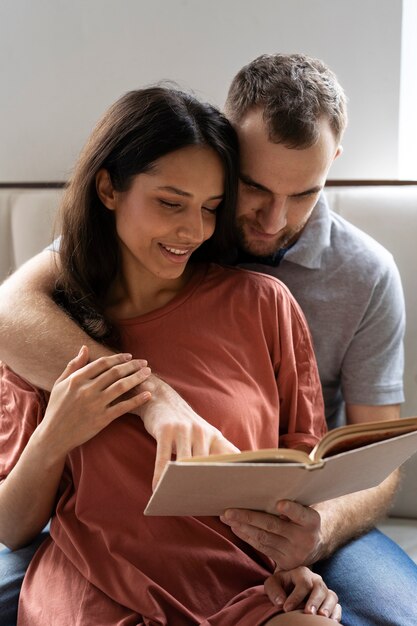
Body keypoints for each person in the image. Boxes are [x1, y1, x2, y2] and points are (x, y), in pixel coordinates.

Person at [0, 52, 416, 625]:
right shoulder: (84, 288)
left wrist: (313, 534)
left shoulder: (335, 281)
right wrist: (152, 397)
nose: (273, 220)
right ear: (225, 149)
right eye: (252, 189)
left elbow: (374, 458)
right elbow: (10, 313)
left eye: (303, 194)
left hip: (276, 531)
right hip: (101, 548)